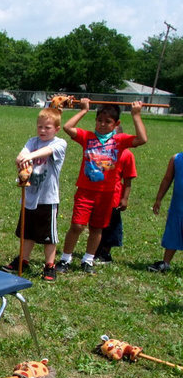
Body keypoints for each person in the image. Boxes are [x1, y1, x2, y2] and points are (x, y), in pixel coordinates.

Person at [57, 99, 147, 274]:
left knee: (97, 228)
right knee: (77, 226)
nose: (103, 125)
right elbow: (68, 128)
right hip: (85, 191)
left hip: (106, 194)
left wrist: (136, 115)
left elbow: (142, 139)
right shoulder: (87, 137)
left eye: (108, 122)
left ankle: (88, 260)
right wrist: (84, 110)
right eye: (99, 121)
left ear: (116, 124)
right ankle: (65, 258)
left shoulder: (119, 141)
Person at [1, 107, 67, 281]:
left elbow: (46, 152)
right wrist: (21, 157)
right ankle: (23, 260)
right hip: (30, 196)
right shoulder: (32, 141)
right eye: (40, 127)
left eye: (47, 127)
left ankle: (50, 265)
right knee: (27, 232)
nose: (43, 131)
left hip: (48, 198)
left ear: (57, 129)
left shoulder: (59, 144)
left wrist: (28, 157)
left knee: (48, 236)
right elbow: (23, 152)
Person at [94, 146, 137, 263]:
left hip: (114, 197)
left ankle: (105, 252)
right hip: (98, 195)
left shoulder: (127, 154)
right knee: (97, 225)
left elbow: (128, 180)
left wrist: (125, 198)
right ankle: (95, 250)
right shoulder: (100, 151)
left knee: (111, 226)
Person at [148, 152, 183, 273]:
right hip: (178, 208)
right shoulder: (176, 159)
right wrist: (158, 199)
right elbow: (167, 179)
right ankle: (166, 263)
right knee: (173, 234)